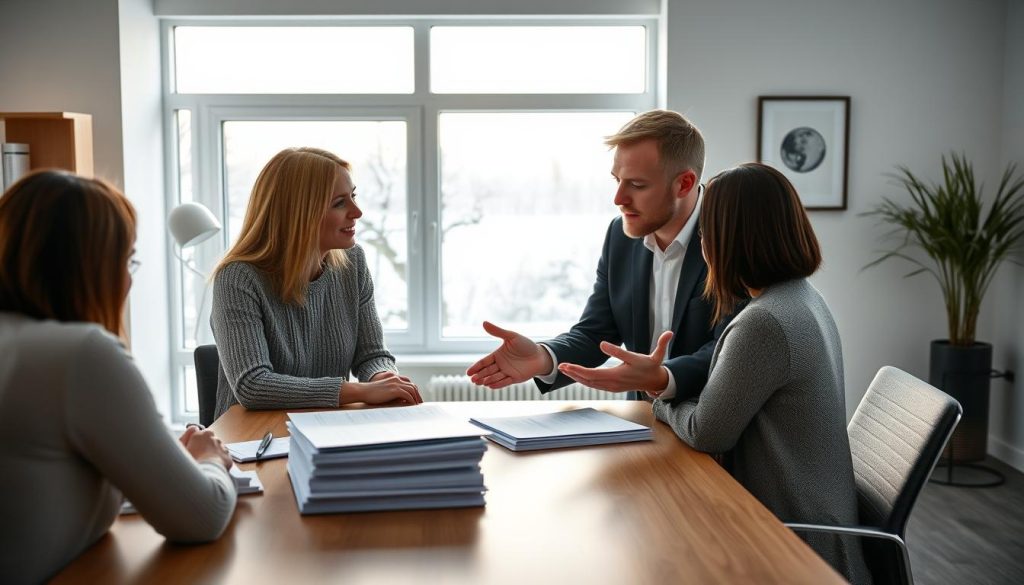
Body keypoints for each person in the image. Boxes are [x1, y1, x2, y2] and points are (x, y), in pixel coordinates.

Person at [0, 170, 237, 584]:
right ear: (90, 265)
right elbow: (202, 516)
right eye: (126, 259)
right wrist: (209, 459)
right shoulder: (80, 355)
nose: (128, 280)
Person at [653, 163, 871, 584]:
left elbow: (707, 431)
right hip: (806, 526)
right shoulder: (802, 298)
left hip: (793, 544)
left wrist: (659, 394)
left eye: (704, 232)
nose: (700, 243)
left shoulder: (765, 322)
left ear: (727, 240)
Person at [468, 110, 731, 400]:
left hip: (709, 426)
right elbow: (596, 333)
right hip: (642, 421)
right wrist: (543, 357)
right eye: (617, 180)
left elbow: (734, 348)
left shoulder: (732, 237)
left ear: (684, 183)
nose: (618, 198)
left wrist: (663, 378)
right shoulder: (620, 235)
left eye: (637, 184)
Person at [211, 147, 421, 419]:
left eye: (353, 197)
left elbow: (371, 355)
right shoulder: (237, 278)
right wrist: (360, 392)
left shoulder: (353, 263)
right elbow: (253, 384)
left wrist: (383, 378)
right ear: (299, 213)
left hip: (325, 429)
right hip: (251, 439)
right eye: (339, 203)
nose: (357, 212)